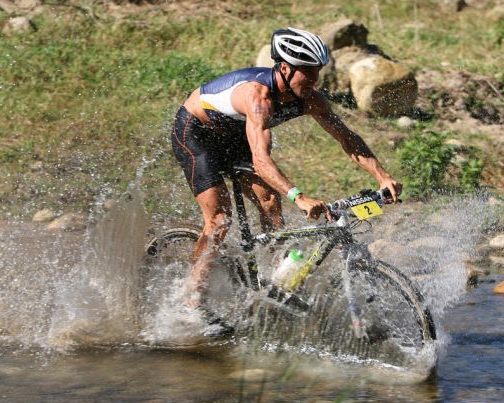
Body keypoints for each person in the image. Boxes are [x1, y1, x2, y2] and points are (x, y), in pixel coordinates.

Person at [171, 27, 403, 318]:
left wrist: (382, 176)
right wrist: (299, 196)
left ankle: (272, 286)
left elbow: (347, 137)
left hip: (236, 135)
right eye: (308, 72)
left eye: (317, 71)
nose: (315, 80)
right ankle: (190, 301)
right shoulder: (258, 97)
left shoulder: (309, 97)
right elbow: (260, 159)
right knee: (219, 220)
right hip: (196, 133)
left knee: (270, 202)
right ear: (284, 68)